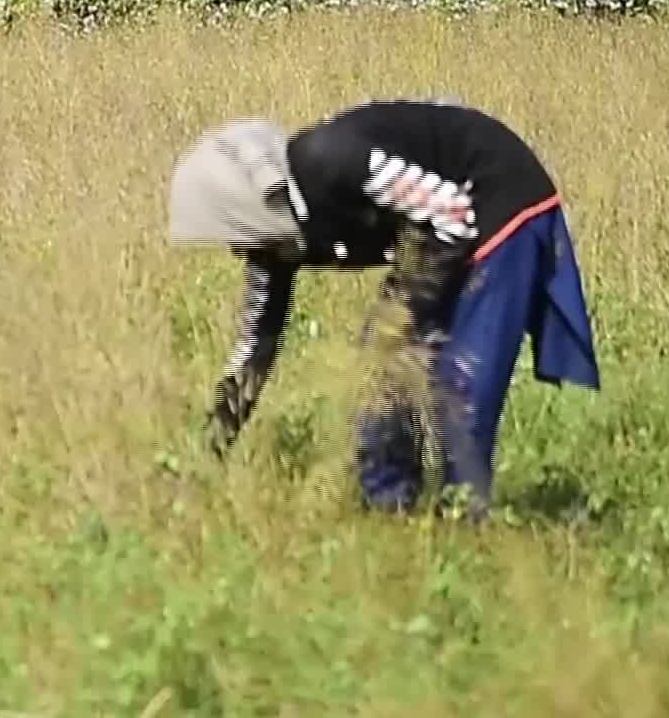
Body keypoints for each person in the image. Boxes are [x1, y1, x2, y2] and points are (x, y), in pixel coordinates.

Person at [166, 98, 601, 518]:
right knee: (379, 374)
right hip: (441, 234)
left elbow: (452, 214)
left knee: (463, 379)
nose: (235, 247)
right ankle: (392, 513)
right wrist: (212, 446)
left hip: (497, 199)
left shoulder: (330, 162)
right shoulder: (272, 242)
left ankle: (465, 519)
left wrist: (402, 311)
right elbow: (254, 348)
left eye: (233, 232)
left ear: (248, 205)